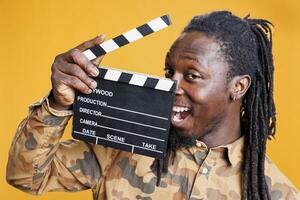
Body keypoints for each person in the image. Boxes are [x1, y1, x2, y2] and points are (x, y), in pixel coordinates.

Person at [6, 10, 299, 200]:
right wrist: (58, 104)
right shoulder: (123, 147)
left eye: (193, 76)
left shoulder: (274, 192)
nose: (174, 86)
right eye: (170, 73)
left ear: (238, 86)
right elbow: (25, 177)